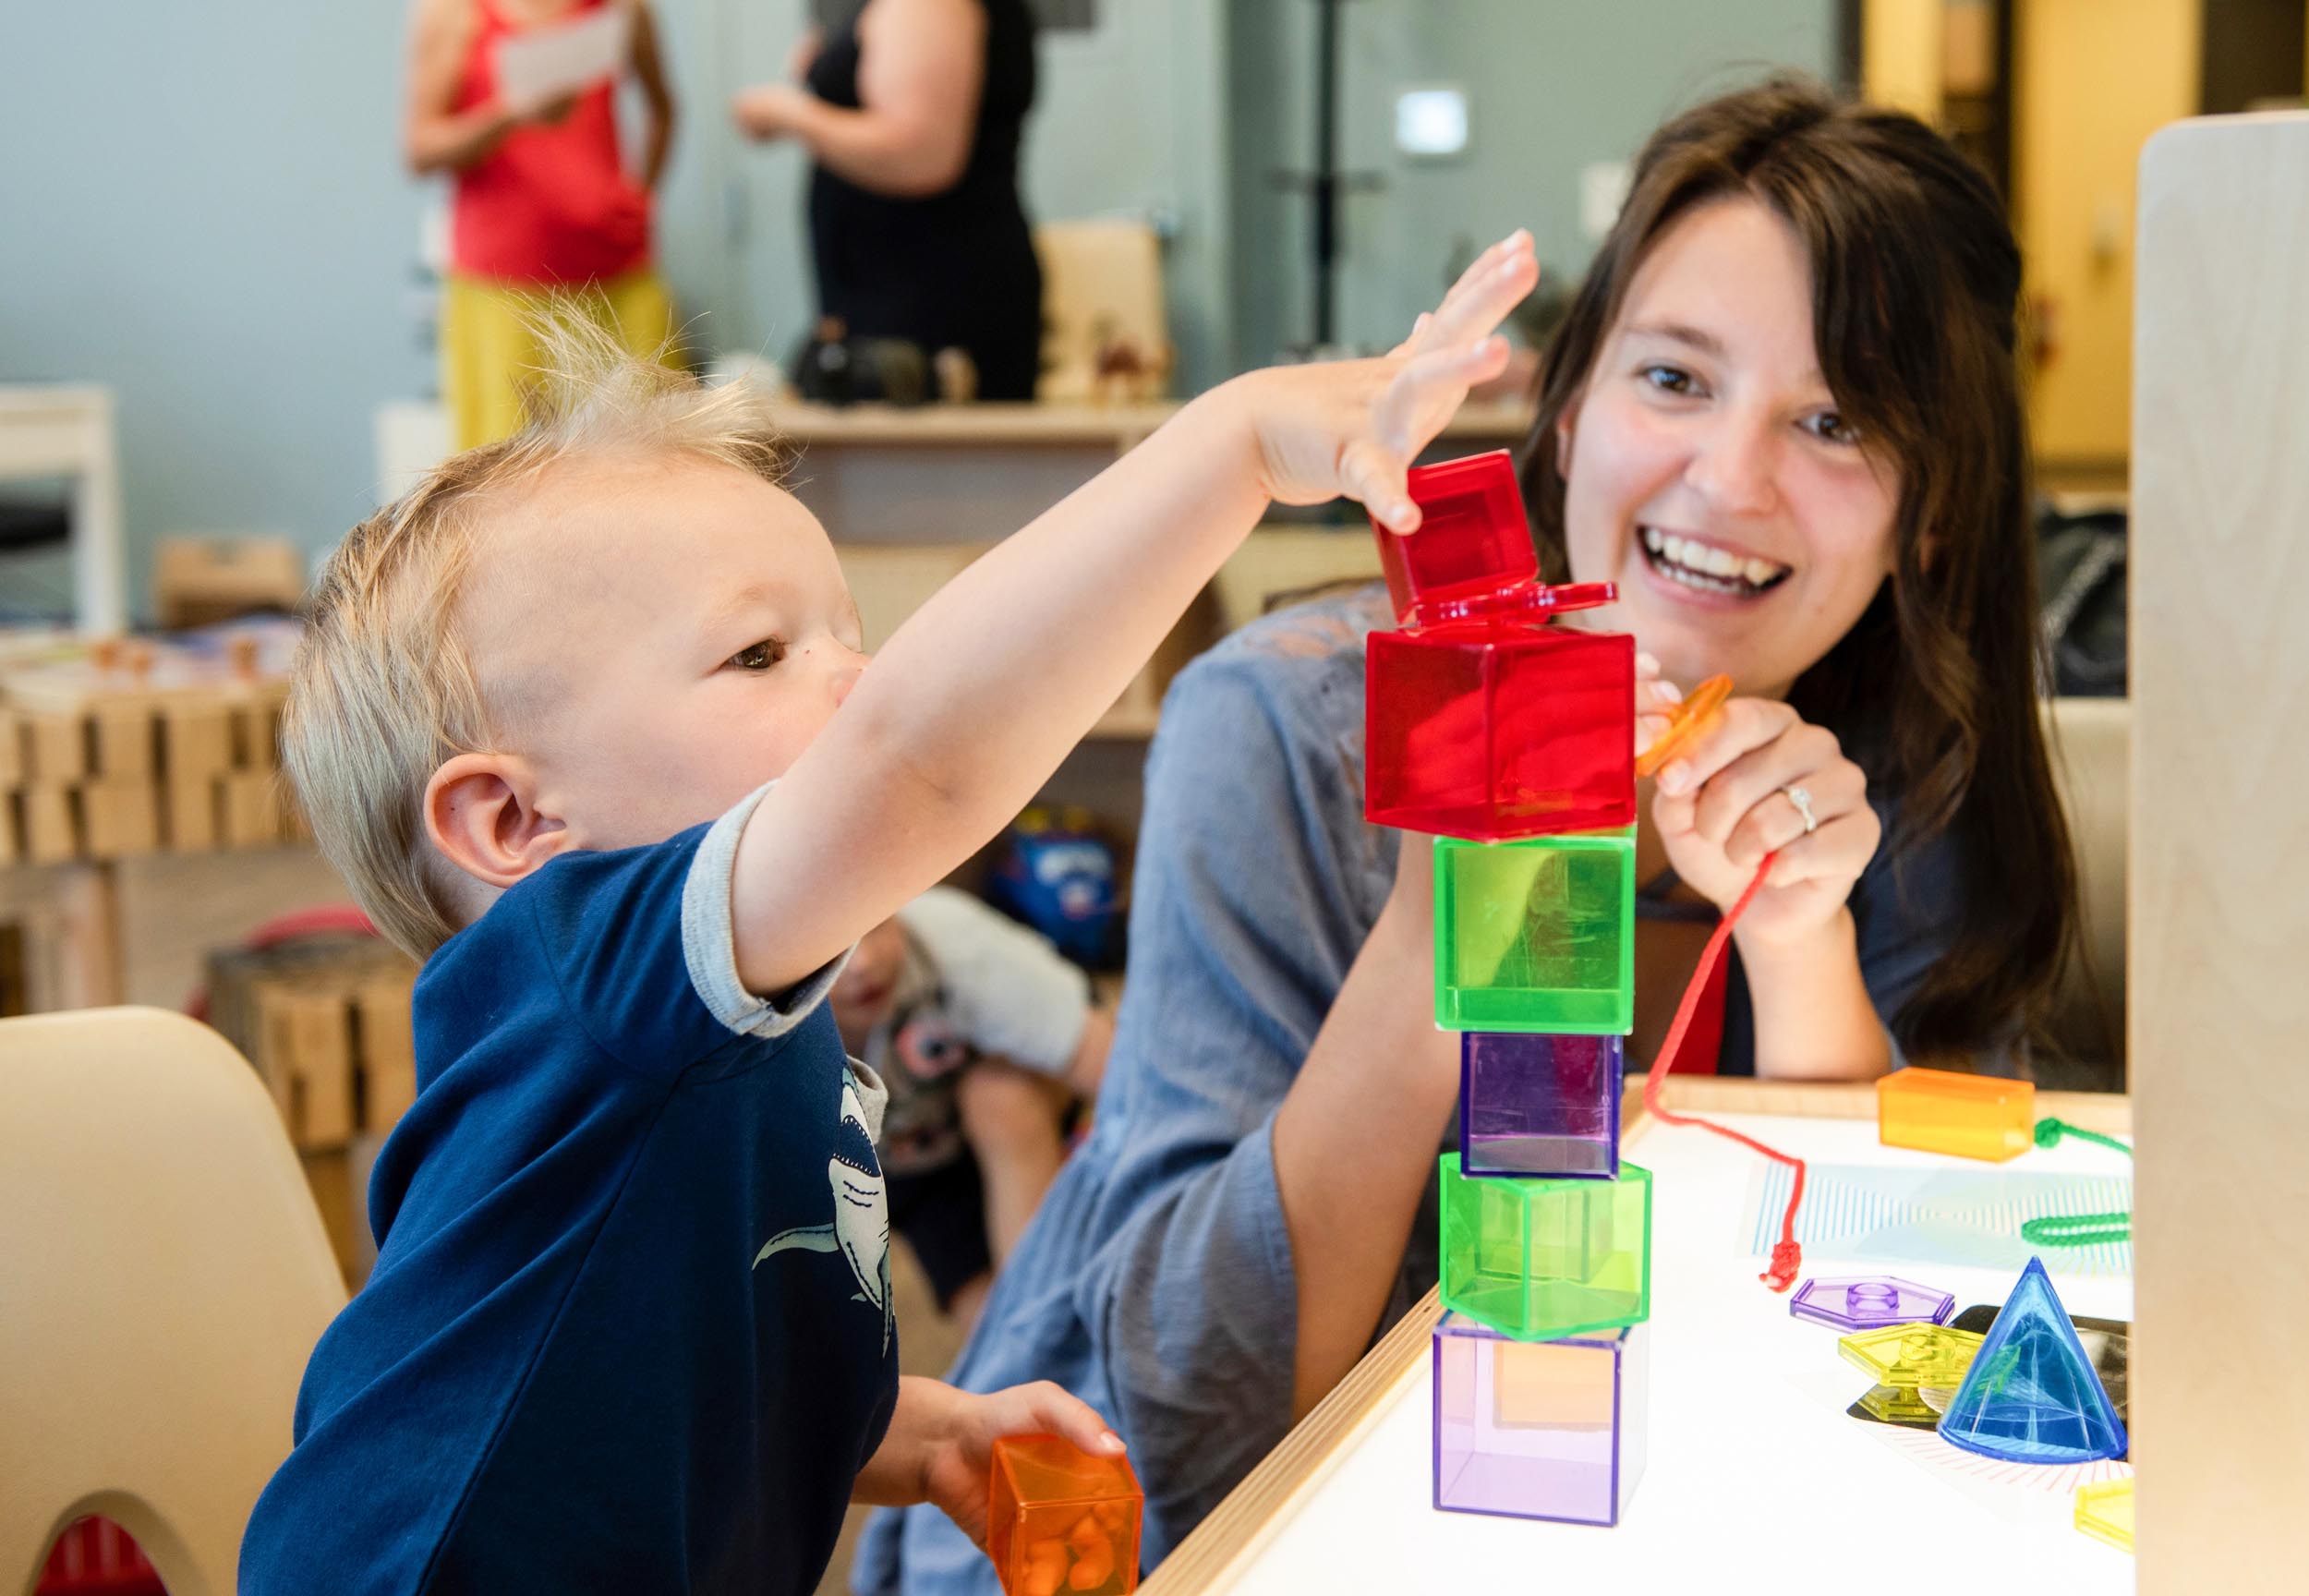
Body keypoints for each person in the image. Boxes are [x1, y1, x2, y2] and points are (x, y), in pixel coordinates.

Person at [857, 77, 2083, 1593]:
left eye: (1832, 419)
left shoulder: (1906, 770)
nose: (1728, 477)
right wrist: (1456, 908)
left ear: (1932, 513)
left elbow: (1923, 1312)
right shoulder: (1288, 728)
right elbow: (1195, 1417)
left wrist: (1797, 944)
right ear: (1572, 405)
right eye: (1676, 379)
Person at [236, 230, 1540, 1595]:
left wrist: (920, 1436)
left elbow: (687, 1347)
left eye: (850, 636)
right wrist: (1232, 452)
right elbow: (914, 761)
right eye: (760, 652)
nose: (858, 684)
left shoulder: (720, 1020)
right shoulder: (583, 972)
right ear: (516, 827)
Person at [732, 0, 1045, 400]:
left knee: (942, 459)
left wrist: (791, 113)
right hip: (903, 288)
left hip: (928, 296)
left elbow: (922, 152)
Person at [831, 889, 1115, 1326]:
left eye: (877, 924)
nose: (863, 963)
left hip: (1017, 1085)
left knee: (998, 1099)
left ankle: (1041, 1313)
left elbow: (1111, 1063)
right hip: (910, 1158)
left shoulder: (955, 947)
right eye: (832, 948)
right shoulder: (749, 1033)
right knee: (987, 1324)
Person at [405, 0, 681, 448]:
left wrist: (642, 194)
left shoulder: (624, 9)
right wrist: (510, 116)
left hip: (618, 276)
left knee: (650, 453)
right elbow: (419, 148)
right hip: (503, 288)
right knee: (508, 470)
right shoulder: (453, 13)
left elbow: (664, 108)